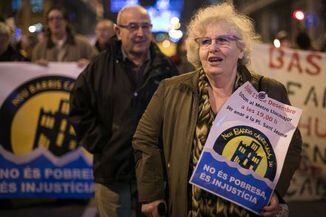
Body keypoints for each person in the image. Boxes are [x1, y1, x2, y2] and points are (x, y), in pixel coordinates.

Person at [133, 3, 302, 217]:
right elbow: (144, 139)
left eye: (222, 40)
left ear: (240, 49)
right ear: (198, 50)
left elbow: (292, 146)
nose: (213, 47)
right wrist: (151, 193)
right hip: (190, 209)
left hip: (247, 211)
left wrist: (275, 192)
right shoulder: (172, 90)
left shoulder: (269, 90)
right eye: (205, 42)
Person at [69, 5, 178, 217]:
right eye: (133, 27)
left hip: (155, 176)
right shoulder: (99, 66)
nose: (140, 33)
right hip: (111, 172)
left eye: (145, 27)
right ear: (118, 31)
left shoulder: (166, 68)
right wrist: (100, 143)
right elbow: (78, 107)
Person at [32, 6, 97, 67]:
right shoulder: (39, 48)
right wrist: (36, 66)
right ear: (48, 24)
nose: (55, 21)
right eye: (51, 19)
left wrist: (89, 64)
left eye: (58, 18)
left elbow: (99, 63)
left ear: (66, 21)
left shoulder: (82, 44)